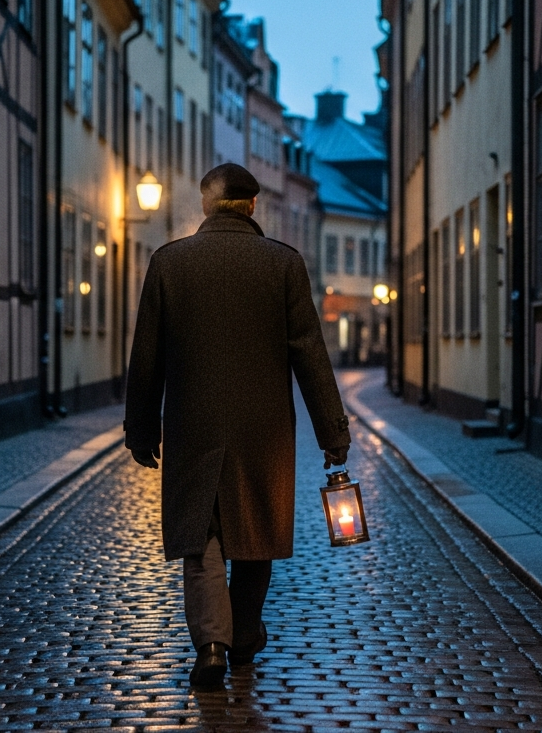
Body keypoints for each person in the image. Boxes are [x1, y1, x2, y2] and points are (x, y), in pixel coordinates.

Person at [125, 163, 350, 690]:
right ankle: (245, 632)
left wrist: (140, 428)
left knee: (201, 535)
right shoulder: (283, 265)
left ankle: (210, 646)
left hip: (193, 425)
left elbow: (146, 358)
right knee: (254, 535)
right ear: (252, 206)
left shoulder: (169, 263)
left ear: (206, 206)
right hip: (263, 431)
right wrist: (332, 433)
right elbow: (310, 356)